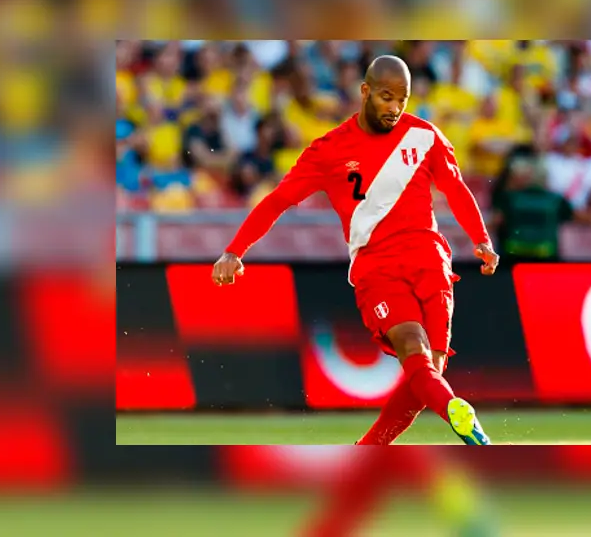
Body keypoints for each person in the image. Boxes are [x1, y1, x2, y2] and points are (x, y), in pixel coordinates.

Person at [211, 55, 498, 446]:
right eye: (385, 97)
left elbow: (455, 187)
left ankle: (376, 447)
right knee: (412, 347)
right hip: (377, 267)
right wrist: (234, 250)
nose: (394, 108)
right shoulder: (329, 150)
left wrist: (481, 238)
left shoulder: (424, 136)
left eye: (402, 99)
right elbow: (278, 201)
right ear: (365, 91)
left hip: (429, 260)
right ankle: (459, 414)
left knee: (427, 375)